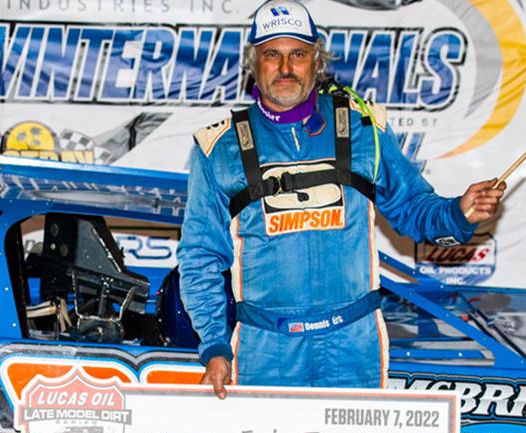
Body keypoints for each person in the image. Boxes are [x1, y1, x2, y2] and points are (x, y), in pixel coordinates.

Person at [178, 0, 505, 398]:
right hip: (267, 351)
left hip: (353, 347)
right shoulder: (219, 147)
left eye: (297, 54)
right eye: (272, 55)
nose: (285, 68)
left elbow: (414, 210)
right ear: (254, 63)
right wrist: (214, 345)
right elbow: (200, 257)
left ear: (317, 62)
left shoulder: (362, 127)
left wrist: (459, 212)